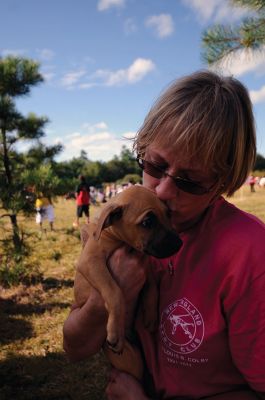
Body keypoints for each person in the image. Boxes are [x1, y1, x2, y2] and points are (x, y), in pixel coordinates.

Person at [63, 71, 265, 399]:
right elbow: (74, 349)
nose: (164, 191)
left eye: (190, 181)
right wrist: (108, 297)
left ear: (223, 181)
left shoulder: (250, 255)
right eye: (155, 166)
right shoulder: (128, 232)